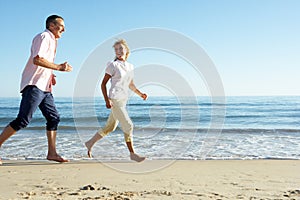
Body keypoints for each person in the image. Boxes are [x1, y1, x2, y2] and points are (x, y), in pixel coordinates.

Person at [0, 15, 72, 165]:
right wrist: (59, 67)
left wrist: (51, 74)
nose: (64, 29)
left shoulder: (53, 41)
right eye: (61, 26)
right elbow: (37, 59)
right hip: (34, 85)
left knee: (54, 118)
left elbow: (43, 62)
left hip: (45, 87)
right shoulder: (44, 36)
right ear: (52, 25)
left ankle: (52, 153)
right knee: (23, 120)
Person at [85, 39, 147, 162]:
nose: (118, 51)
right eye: (116, 49)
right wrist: (107, 100)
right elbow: (103, 84)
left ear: (126, 50)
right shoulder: (112, 65)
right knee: (128, 125)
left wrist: (140, 94)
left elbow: (131, 84)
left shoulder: (130, 66)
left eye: (121, 49)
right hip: (115, 98)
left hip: (123, 99)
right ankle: (132, 154)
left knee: (110, 127)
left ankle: (90, 143)